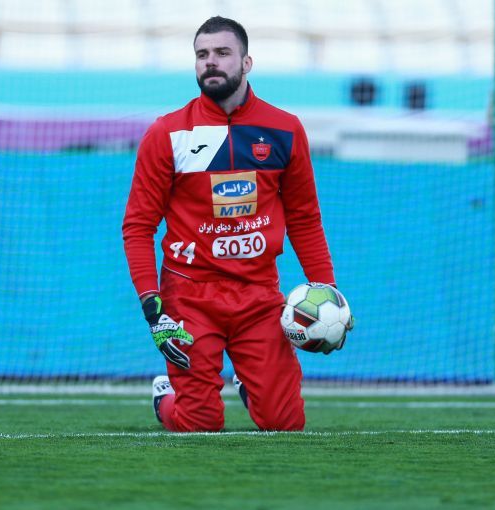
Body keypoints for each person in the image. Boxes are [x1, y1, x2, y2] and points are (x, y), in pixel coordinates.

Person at [122, 16, 348, 432]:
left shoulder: (285, 129)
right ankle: (166, 397)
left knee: (285, 425)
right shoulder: (167, 133)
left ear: (246, 63)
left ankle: (249, 383)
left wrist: (327, 291)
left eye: (222, 53)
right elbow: (138, 226)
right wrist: (152, 305)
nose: (210, 62)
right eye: (202, 55)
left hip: (258, 296)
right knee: (200, 424)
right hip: (189, 296)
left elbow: (305, 219)